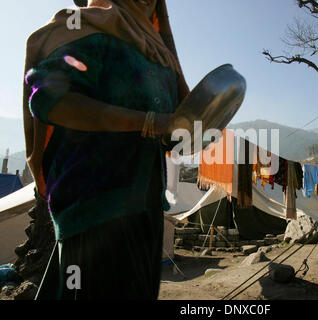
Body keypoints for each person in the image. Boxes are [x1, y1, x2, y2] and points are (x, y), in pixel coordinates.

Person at [23, 0, 189, 299]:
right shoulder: (87, 29)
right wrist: (147, 121)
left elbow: (175, 125)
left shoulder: (158, 56)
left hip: (147, 208)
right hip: (94, 206)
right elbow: (49, 99)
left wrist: (185, 130)